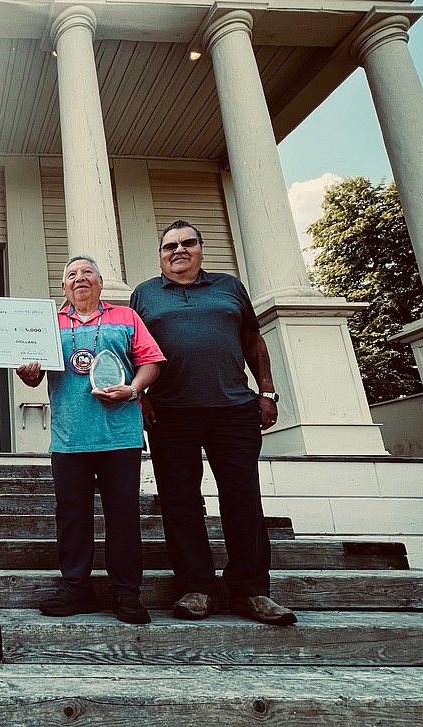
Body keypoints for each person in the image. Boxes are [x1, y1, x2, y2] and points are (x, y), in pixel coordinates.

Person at [129, 219, 297, 626]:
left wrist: (268, 391)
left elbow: (253, 340)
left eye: (188, 243)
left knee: (243, 499)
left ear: (201, 249)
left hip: (234, 408)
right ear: (161, 255)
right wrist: (141, 397)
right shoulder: (145, 295)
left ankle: (251, 591)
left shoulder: (229, 287)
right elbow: (132, 348)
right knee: (180, 501)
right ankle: (197, 587)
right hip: (171, 412)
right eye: (169, 246)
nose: (178, 250)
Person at [16, 255, 164, 624]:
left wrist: (132, 389)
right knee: (72, 517)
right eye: (71, 275)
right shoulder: (48, 324)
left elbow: (152, 361)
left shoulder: (126, 317)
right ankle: (76, 589)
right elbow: (33, 377)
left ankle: (127, 594)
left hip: (120, 435)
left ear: (100, 282)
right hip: (69, 437)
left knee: (124, 516)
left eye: (87, 273)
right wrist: (28, 373)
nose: (79, 278)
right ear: (63, 287)